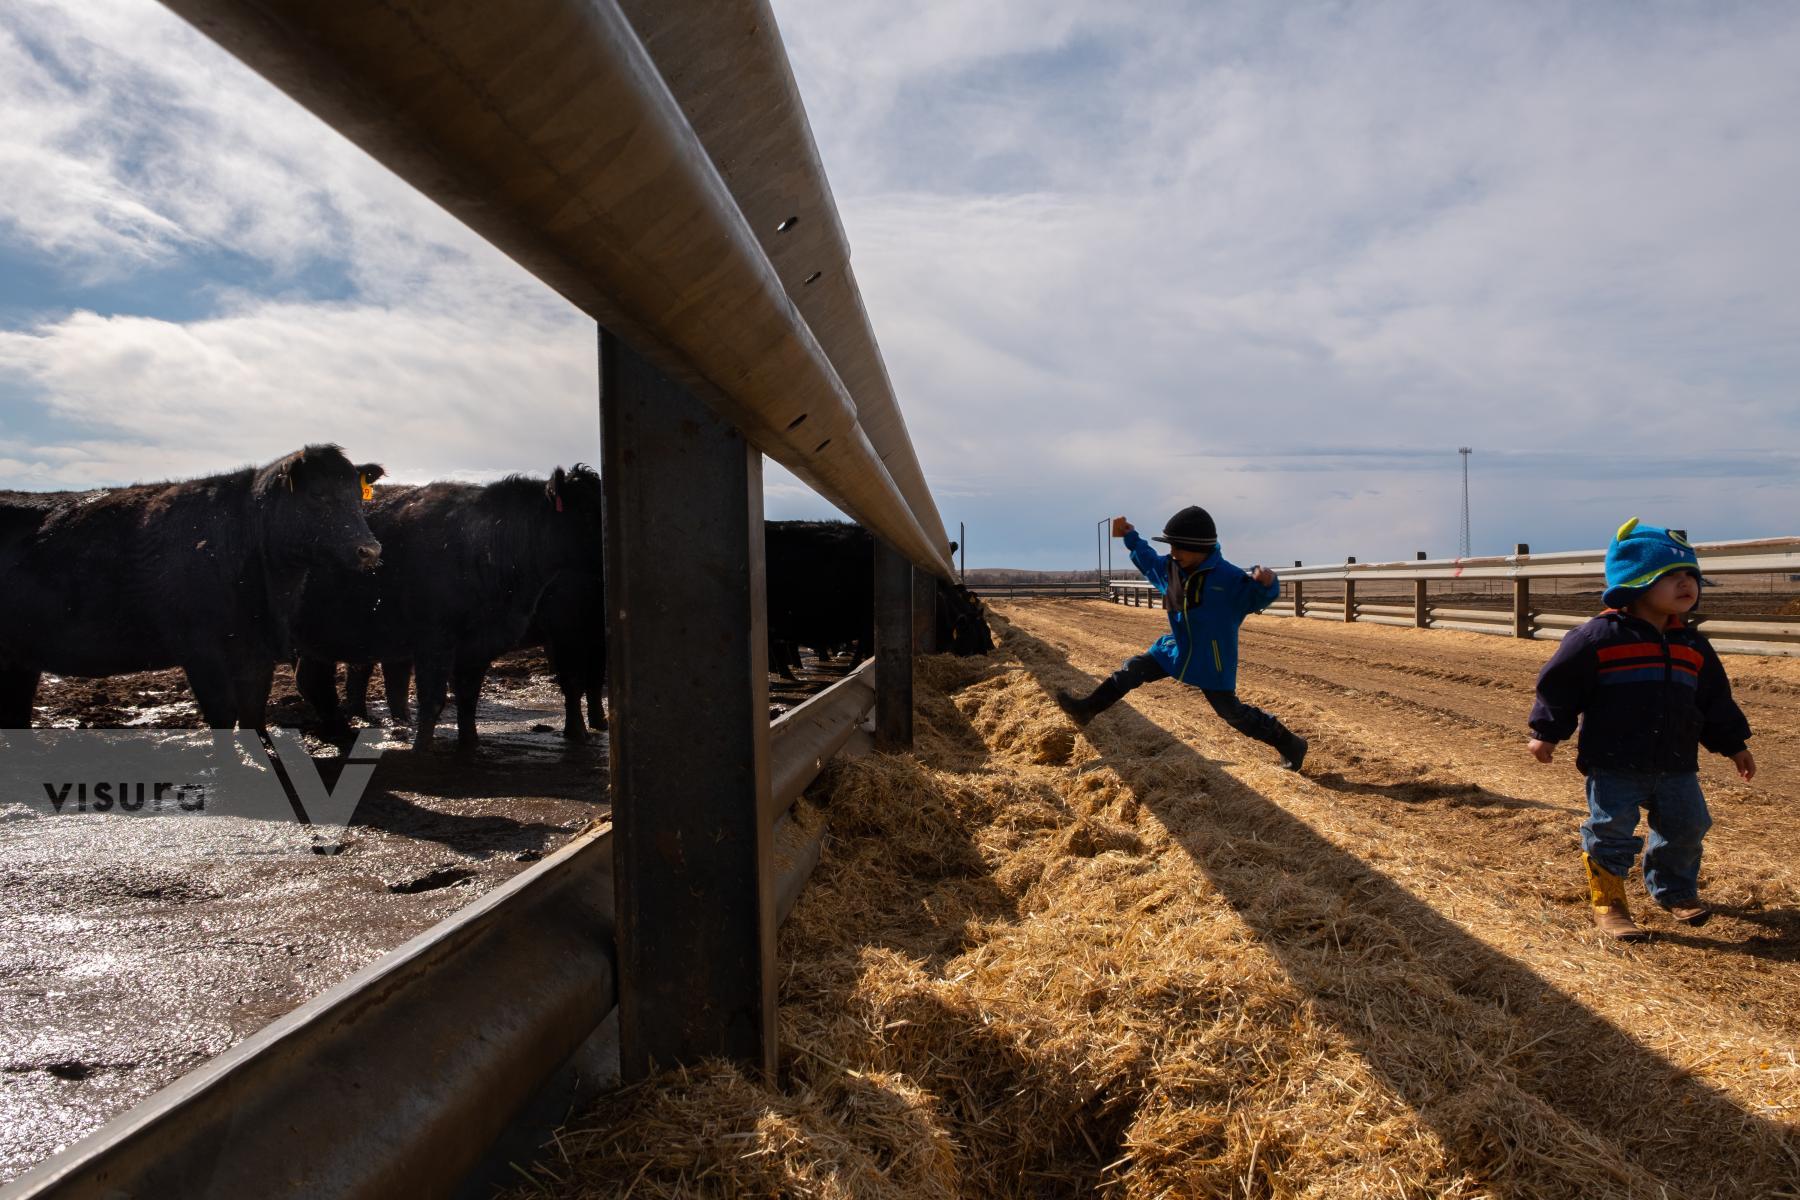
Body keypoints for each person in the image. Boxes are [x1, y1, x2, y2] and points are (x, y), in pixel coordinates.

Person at [1527, 519, 1755, 941]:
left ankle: (1674, 890)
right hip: (1614, 761)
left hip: (1676, 761)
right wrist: (1546, 732)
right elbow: (1559, 687)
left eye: (1691, 575)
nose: (1686, 583)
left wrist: (1733, 744)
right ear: (1636, 581)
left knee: (1688, 826)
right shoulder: (1597, 638)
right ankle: (1609, 902)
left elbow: (1713, 701)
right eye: (1671, 576)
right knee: (1611, 830)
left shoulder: (1693, 645)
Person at [1055, 506, 1308, 771]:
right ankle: (1087, 709)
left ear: (1201, 549)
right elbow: (1147, 558)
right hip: (1175, 651)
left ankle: (1290, 744)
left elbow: (1258, 596)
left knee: (1230, 712)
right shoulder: (1171, 569)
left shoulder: (1228, 579)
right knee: (1132, 670)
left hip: (1212, 659)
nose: (1173, 553)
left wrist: (1268, 584)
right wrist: (1130, 536)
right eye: (1172, 547)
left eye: (1179, 548)